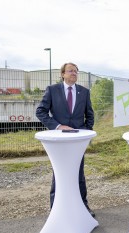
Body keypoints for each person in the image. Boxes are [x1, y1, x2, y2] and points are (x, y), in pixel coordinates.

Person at [36, 62, 96, 217]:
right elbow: (40, 111)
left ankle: (83, 206)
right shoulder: (52, 90)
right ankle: (55, 208)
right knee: (59, 172)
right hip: (60, 140)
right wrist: (57, 126)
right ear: (62, 74)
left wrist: (86, 133)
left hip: (78, 140)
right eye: (70, 71)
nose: (74, 73)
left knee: (79, 172)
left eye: (76, 71)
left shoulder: (84, 92)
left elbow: (90, 115)